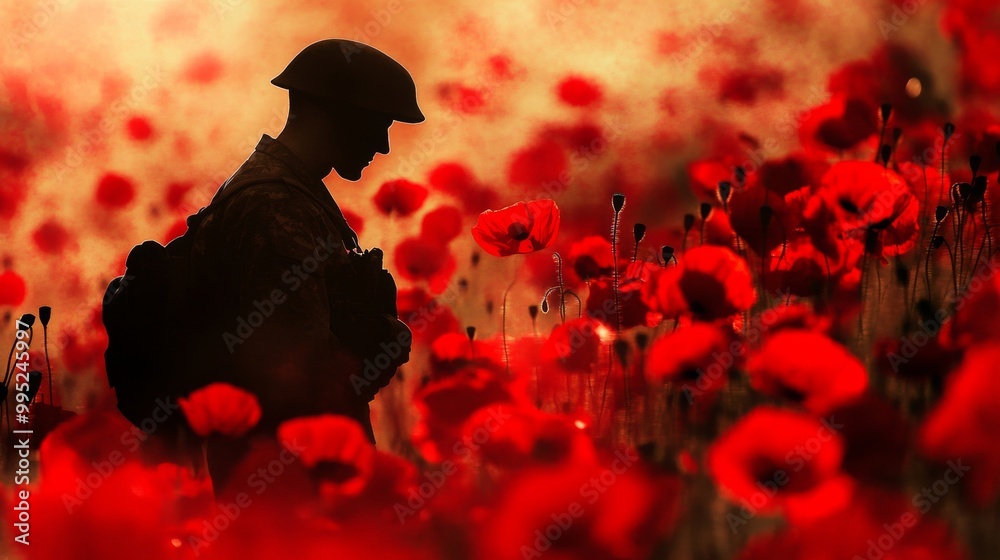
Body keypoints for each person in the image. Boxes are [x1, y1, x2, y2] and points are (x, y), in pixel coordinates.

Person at [187, 39, 422, 486]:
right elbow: (295, 375)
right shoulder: (276, 206)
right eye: (378, 124)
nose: (384, 145)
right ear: (335, 114)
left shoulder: (284, 190)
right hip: (289, 478)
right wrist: (384, 341)